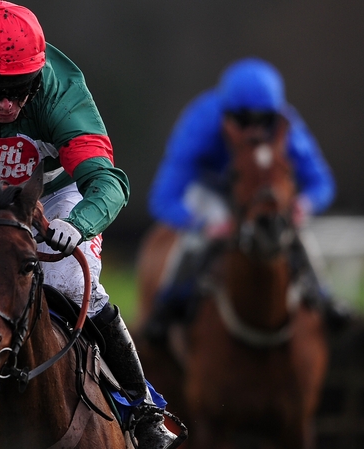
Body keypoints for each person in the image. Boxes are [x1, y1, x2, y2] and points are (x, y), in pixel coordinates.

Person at [0, 2, 181, 449]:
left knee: (70, 279)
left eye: (20, 90)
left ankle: (143, 411)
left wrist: (79, 225)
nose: (7, 104)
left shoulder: (61, 88)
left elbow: (106, 181)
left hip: (53, 195)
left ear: (38, 74)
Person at [143, 57, 350, 344]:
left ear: (276, 116)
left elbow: (321, 182)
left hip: (261, 197)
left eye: (263, 121)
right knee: (198, 236)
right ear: (225, 114)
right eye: (242, 120)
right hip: (215, 195)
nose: (254, 131)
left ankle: (324, 297)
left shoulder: (286, 125)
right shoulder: (200, 122)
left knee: (295, 231)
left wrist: (305, 204)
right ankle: (168, 305)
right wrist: (200, 224)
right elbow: (163, 198)